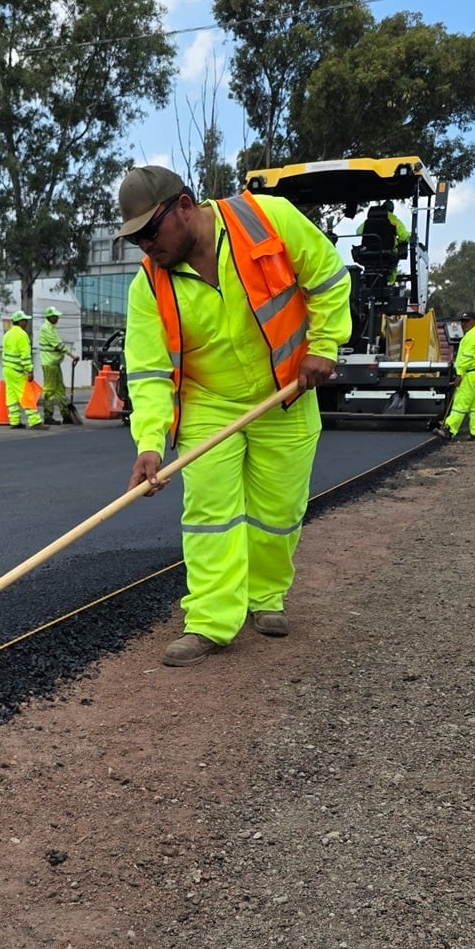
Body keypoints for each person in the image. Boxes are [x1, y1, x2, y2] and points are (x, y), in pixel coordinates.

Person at [116, 164, 350, 667]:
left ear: (184, 206)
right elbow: (150, 375)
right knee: (209, 514)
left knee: (278, 511)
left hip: (284, 390)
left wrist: (325, 345)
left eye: (150, 233)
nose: (146, 248)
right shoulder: (148, 288)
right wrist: (150, 444)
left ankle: (265, 597)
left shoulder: (268, 219)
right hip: (209, 403)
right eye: (135, 240)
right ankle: (210, 622)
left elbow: (329, 279)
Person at [434, 310, 475, 441]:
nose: (464, 324)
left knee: (461, 402)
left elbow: (467, 357)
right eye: (462, 321)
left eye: (467, 321)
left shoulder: (473, 335)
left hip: (472, 373)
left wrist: (459, 374)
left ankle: (449, 429)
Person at [0, 309, 45, 430]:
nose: (26, 322)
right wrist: (30, 370)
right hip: (17, 371)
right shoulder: (22, 335)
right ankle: (35, 421)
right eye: (25, 320)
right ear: (19, 321)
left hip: (7, 370)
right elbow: (25, 355)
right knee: (27, 395)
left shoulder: (7, 334)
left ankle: (15, 421)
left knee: (12, 396)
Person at [37, 307, 80, 425]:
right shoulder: (46, 328)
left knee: (60, 389)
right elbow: (58, 345)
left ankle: (66, 415)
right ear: (50, 316)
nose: (57, 318)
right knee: (49, 390)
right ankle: (48, 416)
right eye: (55, 316)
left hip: (54, 364)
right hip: (49, 364)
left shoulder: (51, 328)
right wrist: (72, 355)